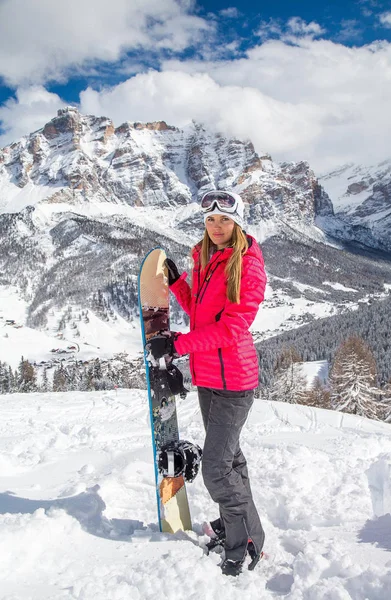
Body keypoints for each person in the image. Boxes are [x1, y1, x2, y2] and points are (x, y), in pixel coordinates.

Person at [146, 190, 267, 577]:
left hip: (235, 381)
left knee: (216, 467)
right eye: (211, 220)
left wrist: (179, 345)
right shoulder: (206, 256)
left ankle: (238, 546)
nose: (216, 227)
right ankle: (250, 534)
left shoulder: (248, 265)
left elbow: (232, 327)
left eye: (225, 221)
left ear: (238, 222)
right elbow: (198, 308)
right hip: (209, 378)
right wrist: (180, 282)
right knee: (230, 460)